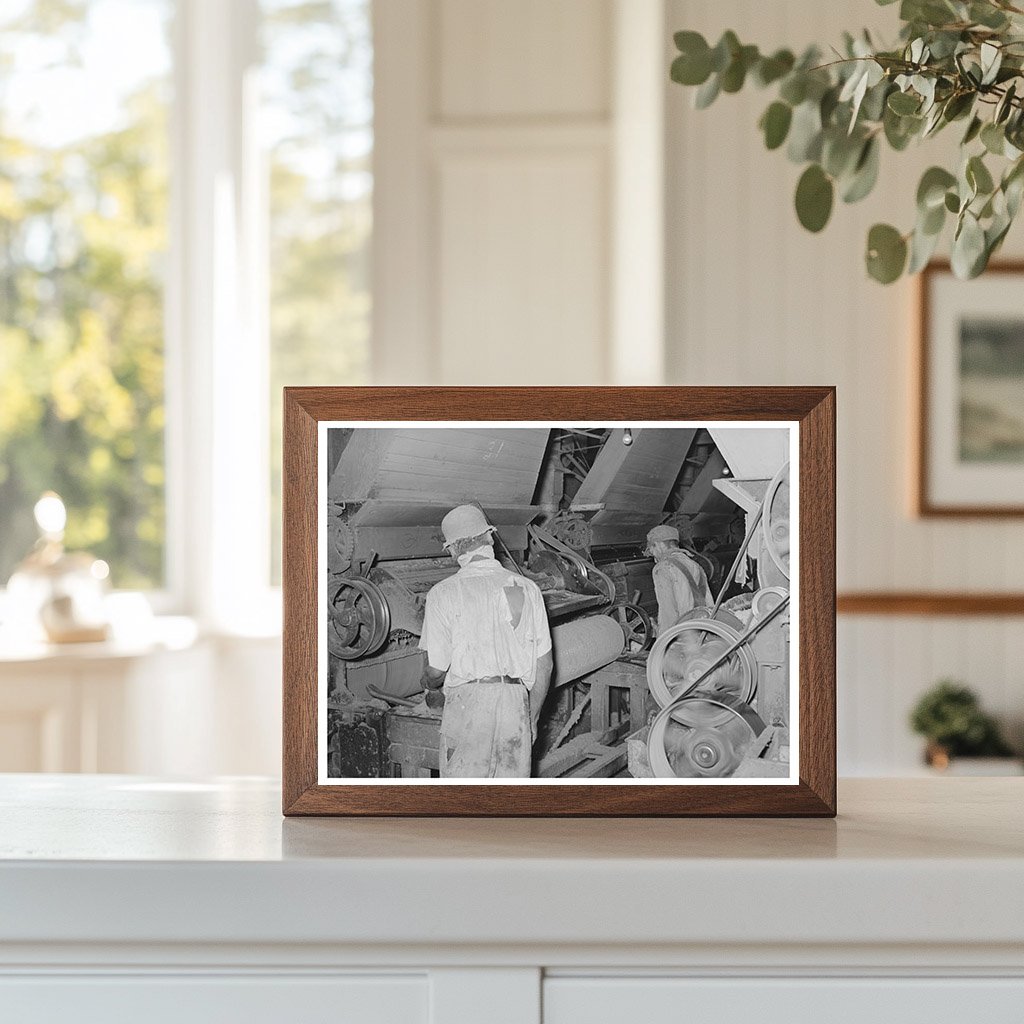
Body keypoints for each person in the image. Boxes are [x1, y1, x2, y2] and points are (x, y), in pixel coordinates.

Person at [418, 504, 553, 778]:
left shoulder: (443, 593)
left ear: (454, 550)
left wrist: (426, 683)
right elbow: (545, 665)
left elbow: (435, 670)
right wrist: (533, 716)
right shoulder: (525, 588)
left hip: (469, 706)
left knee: (464, 804)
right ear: (490, 539)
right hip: (514, 705)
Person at [645, 524, 713, 635]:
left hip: (683, 634)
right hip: (703, 628)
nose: (652, 553)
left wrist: (663, 639)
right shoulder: (695, 564)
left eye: (652, 547)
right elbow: (709, 602)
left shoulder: (662, 568)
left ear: (660, 545)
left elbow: (668, 611)